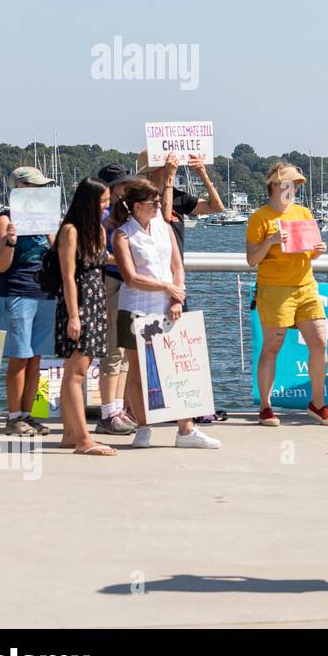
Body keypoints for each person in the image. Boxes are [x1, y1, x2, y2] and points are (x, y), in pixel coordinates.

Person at [110, 178, 220, 450]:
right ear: (137, 206)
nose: (159, 205)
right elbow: (131, 277)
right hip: (136, 307)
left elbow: (176, 264)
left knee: (176, 367)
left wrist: (175, 296)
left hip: (167, 306)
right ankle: (144, 427)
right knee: (138, 372)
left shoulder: (164, 226)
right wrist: (167, 285)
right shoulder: (122, 234)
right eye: (153, 202)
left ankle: (186, 429)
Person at [247, 162, 328, 426]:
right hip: (274, 289)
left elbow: (310, 250)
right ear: (275, 185)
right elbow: (252, 260)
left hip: (306, 285)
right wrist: (269, 242)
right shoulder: (260, 218)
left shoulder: (303, 213)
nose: (295, 188)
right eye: (290, 183)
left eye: (297, 184)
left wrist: (319, 250)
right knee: (272, 348)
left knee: (320, 343)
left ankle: (318, 404)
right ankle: (266, 407)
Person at [0, 166, 57, 437]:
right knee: (19, 357)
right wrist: (11, 242)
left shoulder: (46, 219)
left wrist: (55, 235)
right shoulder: (5, 220)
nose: (39, 191)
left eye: (42, 187)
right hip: (17, 291)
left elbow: (57, 254)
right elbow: (1, 266)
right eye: (34, 186)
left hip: (45, 293)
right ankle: (14, 416)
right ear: (18, 187)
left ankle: (28, 414)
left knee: (36, 358)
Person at [55, 177, 118, 456]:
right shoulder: (70, 230)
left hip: (95, 301)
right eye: (103, 201)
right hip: (78, 303)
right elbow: (68, 275)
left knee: (75, 370)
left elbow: (103, 261)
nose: (106, 206)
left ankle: (70, 434)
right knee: (76, 372)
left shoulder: (98, 231)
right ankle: (83, 439)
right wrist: (73, 316)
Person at [94, 164, 138, 435]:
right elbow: (99, 254)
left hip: (125, 281)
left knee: (123, 351)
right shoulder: (103, 217)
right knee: (113, 348)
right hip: (112, 280)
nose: (126, 189)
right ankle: (108, 411)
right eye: (122, 185)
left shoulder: (122, 214)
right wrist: (127, 261)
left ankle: (118, 408)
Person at [137, 150, 226, 256]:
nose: (171, 166)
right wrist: (169, 179)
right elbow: (165, 219)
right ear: (150, 171)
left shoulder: (179, 197)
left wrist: (203, 175)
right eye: (165, 165)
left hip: (175, 266)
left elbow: (217, 207)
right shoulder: (141, 198)